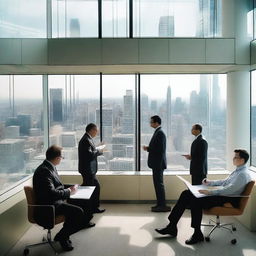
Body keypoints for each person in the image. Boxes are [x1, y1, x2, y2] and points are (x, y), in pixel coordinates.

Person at [155, 149, 252, 244]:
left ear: (242, 160)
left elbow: (230, 189)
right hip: (224, 195)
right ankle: (172, 226)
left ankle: (197, 234)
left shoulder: (242, 174)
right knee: (186, 193)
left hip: (228, 199)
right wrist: (210, 183)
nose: (233, 159)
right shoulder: (238, 171)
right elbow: (224, 182)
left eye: (236, 157)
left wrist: (209, 192)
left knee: (196, 200)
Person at [33, 145, 95, 251]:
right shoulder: (44, 171)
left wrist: (71, 187)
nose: (62, 159)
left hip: (54, 202)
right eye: (62, 157)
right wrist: (69, 191)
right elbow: (51, 193)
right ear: (57, 158)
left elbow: (56, 186)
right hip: (49, 207)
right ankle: (62, 236)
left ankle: (64, 235)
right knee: (79, 213)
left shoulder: (49, 167)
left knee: (82, 203)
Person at [143, 115, 171, 212]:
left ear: (156, 123)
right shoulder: (158, 132)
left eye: (151, 122)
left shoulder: (160, 133)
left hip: (158, 164)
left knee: (159, 185)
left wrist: (148, 148)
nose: (150, 124)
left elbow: (160, 149)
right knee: (157, 184)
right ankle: (159, 204)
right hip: (156, 164)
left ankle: (162, 205)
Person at [78, 123, 105, 214]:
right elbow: (89, 155)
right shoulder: (86, 140)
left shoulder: (88, 139)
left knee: (94, 188)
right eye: (96, 130)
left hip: (89, 170)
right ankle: (89, 209)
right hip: (88, 170)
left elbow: (91, 151)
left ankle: (92, 208)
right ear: (92, 130)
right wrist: (99, 151)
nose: (97, 132)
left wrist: (98, 149)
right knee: (91, 189)